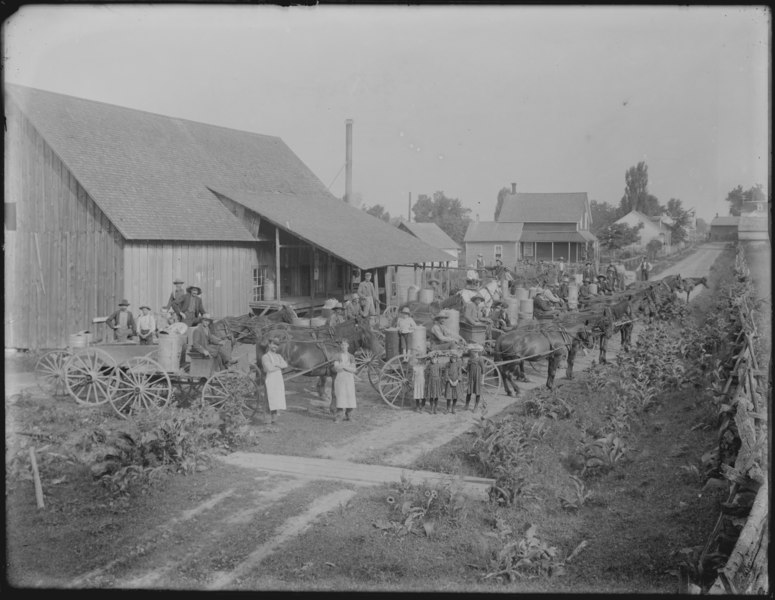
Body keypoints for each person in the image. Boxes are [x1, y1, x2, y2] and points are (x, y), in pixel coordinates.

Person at [261, 336, 288, 424]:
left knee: (276, 398)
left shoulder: (278, 356)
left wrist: (276, 364)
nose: (275, 346)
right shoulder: (265, 357)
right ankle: (267, 421)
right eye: (273, 344)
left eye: (277, 345)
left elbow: (285, 365)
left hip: (278, 380)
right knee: (269, 399)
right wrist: (279, 365)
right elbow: (269, 368)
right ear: (269, 345)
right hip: (270, 379)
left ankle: (274, 419)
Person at [333, 339, 357, 423]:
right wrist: (346, 367)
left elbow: (354, 369)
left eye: (345, 345)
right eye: (342, 345)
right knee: (341, 396)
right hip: (340, 378)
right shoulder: (337, 355)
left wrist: (344, 366)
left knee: (350, 396)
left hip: (349, 379)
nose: (343, 346)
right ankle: (339, 416)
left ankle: (349, 415)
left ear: (348, 346)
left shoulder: (351, 356)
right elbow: (336, 368)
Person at [464, 346, 485, 412]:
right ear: (472, 352)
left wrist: (482, 380)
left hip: (478, 378)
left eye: (476, 352)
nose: (475, 353)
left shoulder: (480, 360)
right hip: (471, 378)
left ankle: (475, 406)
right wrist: (467, 379)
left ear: (478, 352)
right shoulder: (470, 360)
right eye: (474, 352)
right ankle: (466, 405)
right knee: (469, 392)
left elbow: (483, 371)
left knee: (477, 392)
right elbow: (468, 370)